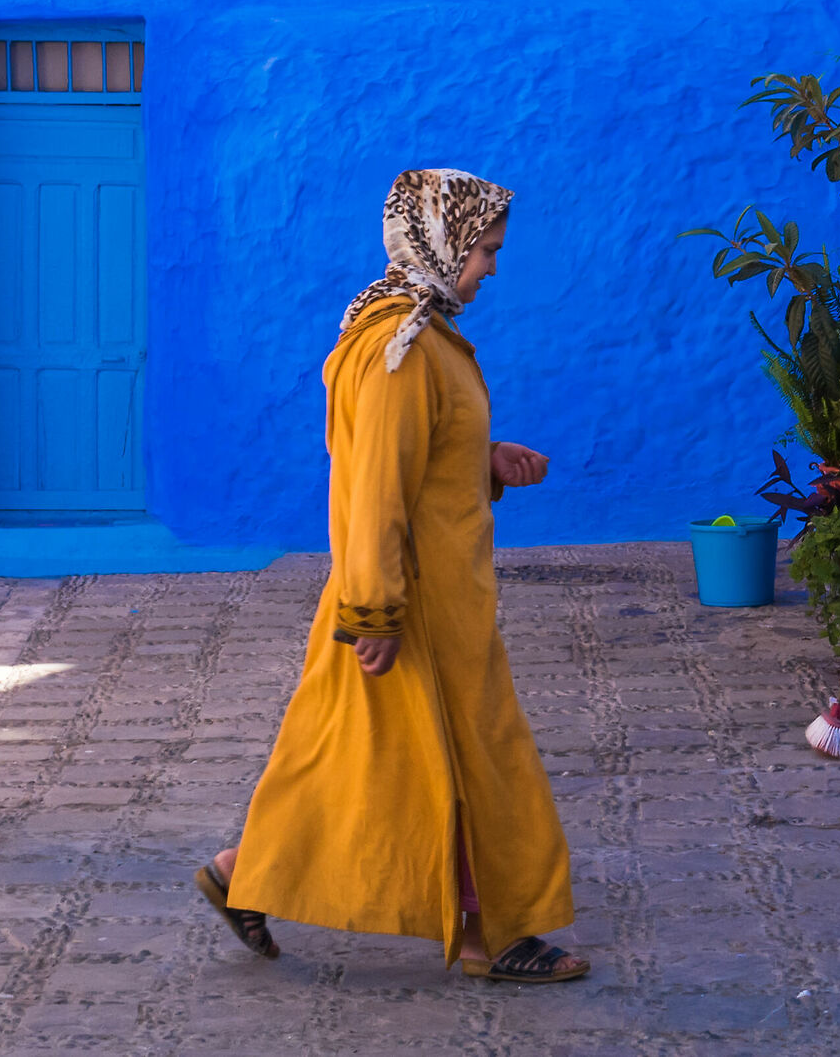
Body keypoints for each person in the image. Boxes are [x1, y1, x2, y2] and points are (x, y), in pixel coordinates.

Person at [195, 169, 588, 984]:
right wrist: (374, 613)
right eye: (483, 250)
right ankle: (495, 928)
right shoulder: (399, 348)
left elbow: (416, 457)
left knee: (354, 760)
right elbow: (373, 485)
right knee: (473, 756)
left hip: (425, 596)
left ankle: (244, 873)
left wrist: (480, 460)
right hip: (412, 605)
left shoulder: (424, 337)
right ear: (442, 243)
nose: (490, 268)